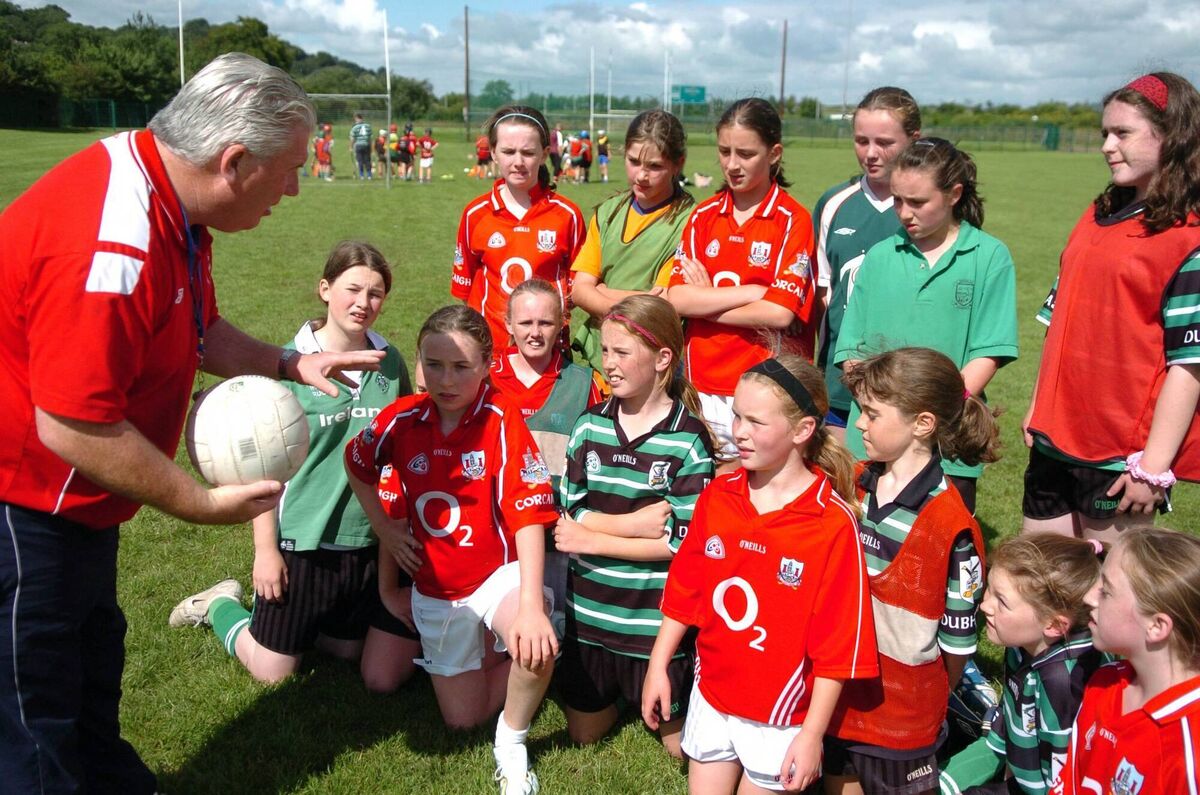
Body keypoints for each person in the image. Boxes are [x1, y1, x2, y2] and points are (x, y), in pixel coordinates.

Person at [0, 52, 383, 795]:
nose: (297, 186)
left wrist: (287, 362)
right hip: (23, 504)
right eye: (289, 168)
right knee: (31, 713)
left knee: (86, 677)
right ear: (235, 160)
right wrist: (200, 503)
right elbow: (73, 424)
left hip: (73, 506)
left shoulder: (169, 202)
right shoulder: (115, 239)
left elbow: (197, 327)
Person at [168, 241, 420, 692]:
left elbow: (396, 454)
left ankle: (312, 623)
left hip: (366, 540)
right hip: (302, 540)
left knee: (346, 653)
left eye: (376, 293)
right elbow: (264, 469)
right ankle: (219, 605)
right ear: (325, 289)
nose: (363, 303)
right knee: (273, 671)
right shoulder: (288, 366)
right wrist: (266, 551)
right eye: (353, 289)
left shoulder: (390, 363)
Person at [345, 304, 558, 795]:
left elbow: (528, 515)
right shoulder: (401, 419)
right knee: (461, 722)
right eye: (434, 364)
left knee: (535, 644)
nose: (446, 379)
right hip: (437, 590)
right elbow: (355, 461)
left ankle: (512, 739)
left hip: (495, 576)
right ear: (419, 361)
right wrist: (384, 527)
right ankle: (515, 657)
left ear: (487, 365)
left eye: (462, 367)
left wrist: (529, 605)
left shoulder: (502, 417)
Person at [642, 354, 878, 793]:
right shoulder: (719, 495)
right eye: (735, 415)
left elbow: (838, 645)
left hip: (780, 718)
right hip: (711, 693)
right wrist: (658, 664)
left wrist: (810, 737)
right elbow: (685, 589)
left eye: (756, 421)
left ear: (802, 431)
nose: (738, 432)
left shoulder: (831, 524)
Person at [1022, 73, 1200, 542]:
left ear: (1174, 136)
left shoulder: (1188, 237)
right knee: (1041, 582)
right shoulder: (1095, 215)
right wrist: (1039, 407)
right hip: (1054, 439)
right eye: (1105, 132)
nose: (1106, 145)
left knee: (1108, 602)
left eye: (1122, 132)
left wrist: (1153, 467)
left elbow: (1190, 364)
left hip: (1119, 456)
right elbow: (1057, 321)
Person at [824, 347, 993, 795]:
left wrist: (932, 702)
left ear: (923, 424)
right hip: (838, 698)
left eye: (872, 413)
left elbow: (957, 645)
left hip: (903, 721)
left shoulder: (951, 526)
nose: (859, 423)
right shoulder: (854, 484)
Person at [553, 295, 715, 758]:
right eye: (605, 352)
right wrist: (636, 524)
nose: (609, 365)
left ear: (664, 357)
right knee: (584, 735)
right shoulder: (589, 427)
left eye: (622, 353)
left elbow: (683, 546)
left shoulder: (688, 440)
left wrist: (593, 538)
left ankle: (654, 680)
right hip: (590, 621)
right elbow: (570, 517)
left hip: (651, 625)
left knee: (681, 751)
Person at [833, 138, 1018, 514]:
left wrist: (928, 417)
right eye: (898, 199)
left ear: (954, 194)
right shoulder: (881, 256)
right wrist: (881, 415)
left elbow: (988, 351)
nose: (904, 212)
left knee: (938, 551)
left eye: (918, 202)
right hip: (871, 439)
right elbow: (851, 350)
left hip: (945, 439)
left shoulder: (989, 256)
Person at [667, 97, 817, 461]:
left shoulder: (793, 221)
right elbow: (675, 301)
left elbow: (780, 315)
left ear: (774, 153)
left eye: (746, 154)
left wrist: (708, 303)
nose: (732, 165)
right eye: (724, 151)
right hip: (699, 386)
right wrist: (750, 291)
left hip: (763, 392)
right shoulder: (703, 216)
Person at [939, 532, 1107, 795]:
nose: (985, 607)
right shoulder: (1022, 646)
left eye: (1002, 602)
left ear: (1053, 624)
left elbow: (1063, 780)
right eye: (989, 590)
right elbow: (1002, 740)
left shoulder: (1064, 685)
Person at [489, 279, 605, 629]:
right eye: (525, 323)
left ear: (562, 323)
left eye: (545, 323)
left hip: (556, 533)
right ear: (508, 324)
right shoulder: (485, 378)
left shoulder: (585, 382)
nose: (535, 333)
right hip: (496, 532)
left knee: (551, 627)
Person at [1053, 527, 1200, 794]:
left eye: (1105, 591)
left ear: (1156, 626)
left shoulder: (1189, 753)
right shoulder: (1104, 683)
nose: (1088, 597)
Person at [813, 87, 921, 439]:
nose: (871, 154)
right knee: (843, 489)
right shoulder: (833, 203)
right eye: (861, 141)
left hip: (910, 386)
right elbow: (824, 294)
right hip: (841, 387)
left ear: (913, 139)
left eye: (885, 142)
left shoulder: (930, 210)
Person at [450, 104, 586, 354]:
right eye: (508, 151)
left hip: (547, 351)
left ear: (545, 154)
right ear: (493, 152)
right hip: (489, 351)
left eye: (528, 152)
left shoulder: (568, 216)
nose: (518, 162)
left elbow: (578, 290)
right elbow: (465, 290)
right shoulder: (475, 214)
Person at [570, 109, 695, 377]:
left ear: (678, 163)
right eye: (634, 161)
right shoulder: (608, 212)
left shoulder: (691, 222)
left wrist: (603, 291)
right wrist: (628, 302)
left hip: (651, 365)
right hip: (600, 358)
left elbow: (661, 306)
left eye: (655, 166)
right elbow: (579, 291)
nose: (641, 175)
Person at [349, 113, 372, 180]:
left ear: (357, 118)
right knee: (367, 160)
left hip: (359, 145)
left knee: (360, 160)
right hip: (366, 144)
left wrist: (350, 146)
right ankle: (369, 175)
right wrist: (371, 146)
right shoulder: (368, 126)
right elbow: (370, 138)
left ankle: (361, 175)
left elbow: (352, 138)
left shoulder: (355, 127)